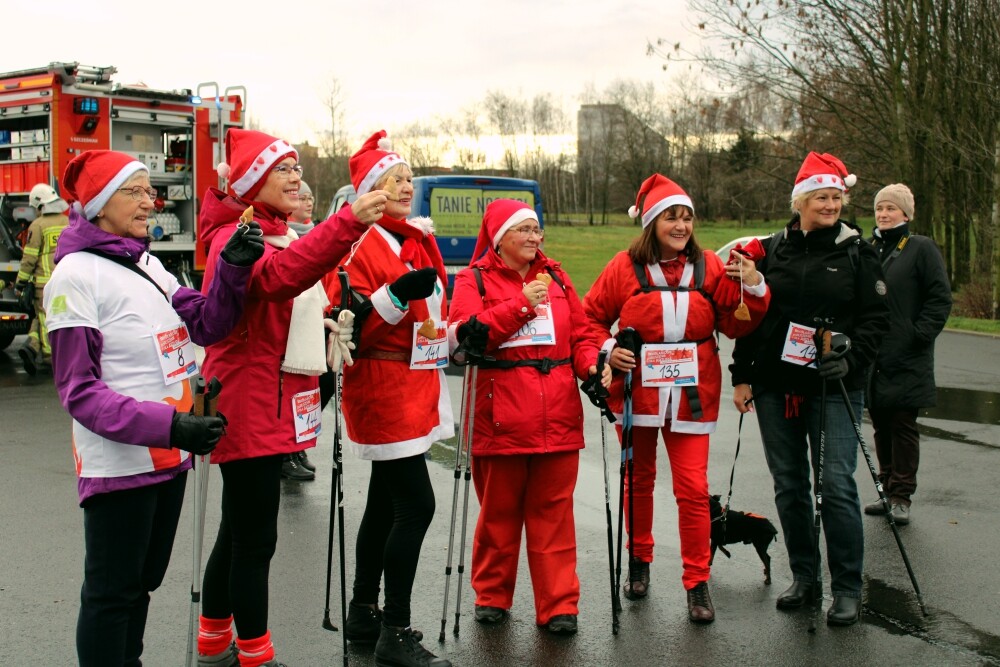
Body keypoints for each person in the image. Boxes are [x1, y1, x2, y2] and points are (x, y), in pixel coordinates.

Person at [43, 149, 262, 666]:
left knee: (141, 585)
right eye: (135, 191)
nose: (151, 201)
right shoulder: (75, 276)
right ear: (99, 204)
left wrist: (230, 267)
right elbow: (79, 390)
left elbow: (205, 322)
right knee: (112, 593)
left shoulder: (145, 263)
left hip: (168, 455)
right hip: (121, 463)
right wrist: (170, 425)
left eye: (149, 190)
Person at [195, 128, 388, 667]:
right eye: (283, 168)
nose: (296, 177)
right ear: (255, 179)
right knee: (254, 544)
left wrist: (325, 324)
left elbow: (283, 297)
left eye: (296, 167)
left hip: (268, 401)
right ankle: (255, 656)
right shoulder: (236, 237)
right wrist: (347, 223)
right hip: (249, 403)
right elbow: (280, 278)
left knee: (237, 532)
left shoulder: (271, 230)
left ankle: (213, 644)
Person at [585, 174, 769, 624]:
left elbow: (737, 322)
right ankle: (639, 560)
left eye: (687, 217)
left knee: (691, 490)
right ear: (652, 223)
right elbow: (589, 319)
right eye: (672, 216)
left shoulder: (708, 265)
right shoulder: (623, 268)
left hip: (692, 397)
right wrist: (609, 351)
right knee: (638, 480)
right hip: (638, 396)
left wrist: (756, 284)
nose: (682, 225)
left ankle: (696, 581)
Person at [731, 152, 889, 627]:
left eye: (837, 197)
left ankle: (846, 587)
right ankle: (804, 577)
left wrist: (851, 357)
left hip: (833, 386)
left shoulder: (858, 252)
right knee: (790, 485)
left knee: (836, 486)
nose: (831, 204)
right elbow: (751, 317)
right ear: (801, 201)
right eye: (822, 196)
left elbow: (877, 321)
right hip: (777, 385)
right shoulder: (772, 250)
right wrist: (742, 374)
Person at [323, 130, 452, 667]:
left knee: (384, 503)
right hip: (382, 387)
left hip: (416, 382)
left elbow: (434, 309)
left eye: (407, 178)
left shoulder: (414, 239)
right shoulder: (356, 246)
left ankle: (362, 610)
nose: (404, 185)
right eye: (390, 179)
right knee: (417, 505)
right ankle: (394, 629)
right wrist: (397, 295)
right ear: (367, 191)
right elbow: (347, 331)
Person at [448, 199, 604, 635]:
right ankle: (492, 596)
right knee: (498, 514)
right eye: (525, 230)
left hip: (558, 418)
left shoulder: (555, 276)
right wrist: (519, 304)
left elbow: (582, 333)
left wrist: (590, 364)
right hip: (500, 419)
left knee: (554, 516)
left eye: (538, 230)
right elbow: (464, 338)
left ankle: (558, 605)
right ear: (501, 238)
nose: (536, 238)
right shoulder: (472, 279)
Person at [864, 184, 951, 525]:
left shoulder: (920, 248)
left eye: (890, 209)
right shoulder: (870, 249)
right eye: (879, 209)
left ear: (906, 214)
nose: (883, 214)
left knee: (902, 424)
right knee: (881, 425)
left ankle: (902, 495)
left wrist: (918, 335)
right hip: (874, 357)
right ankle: (886, 490)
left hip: (907, 355)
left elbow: (939, 298)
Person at [14, 182, 70, 375]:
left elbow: (29, 258)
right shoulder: (66, 222)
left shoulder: (37, 226)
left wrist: (20, 283)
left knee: (45, 318)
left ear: (39, 205)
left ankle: (49, 357)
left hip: (43, 284)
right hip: (66, 281)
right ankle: (32, 346)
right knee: (62, 317)